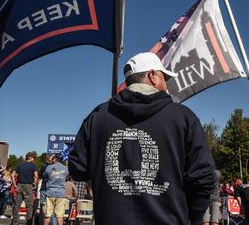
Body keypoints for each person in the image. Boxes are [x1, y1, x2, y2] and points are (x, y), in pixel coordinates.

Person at [69, 52, 217, 225]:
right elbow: (204, 177)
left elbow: (78, 168)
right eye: (164, 79)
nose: (166, 86)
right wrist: (195, 217)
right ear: (152, 75)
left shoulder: (97, 117)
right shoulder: (183, 117)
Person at [11, 151, 39, 225]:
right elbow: (36, 176)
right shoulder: (33, 165)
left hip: (19, 185)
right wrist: (35, 186)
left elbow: (12, 175)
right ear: (30, 157)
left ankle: (15, 222)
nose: (34, 159)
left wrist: (14, 185)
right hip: (28, 186)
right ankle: (28, 222)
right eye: (34, 157)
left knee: (17, 205)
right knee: (29, 206)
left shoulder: (19, 165)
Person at [43, 154, 69, 225]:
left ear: (55, 159)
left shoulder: (49, 167)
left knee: (47, 215)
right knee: (60, 216)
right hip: (60, 194)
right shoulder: (65, 168)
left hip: (50, 193)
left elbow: (44, 176)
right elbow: (67, 178)